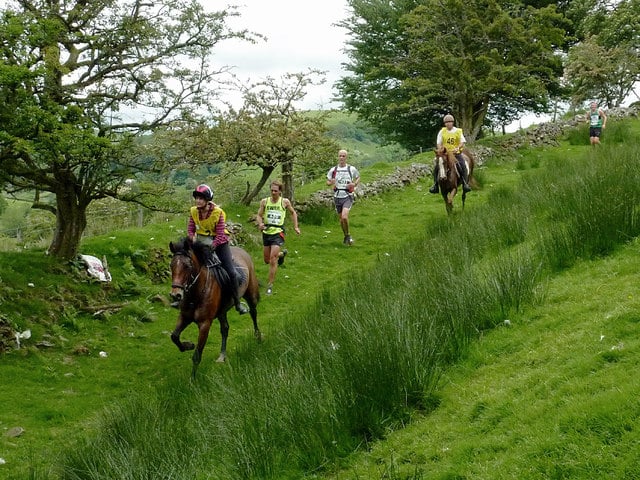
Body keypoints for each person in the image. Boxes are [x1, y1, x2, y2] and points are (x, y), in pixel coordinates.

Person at [187, 184, 248, 314]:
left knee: (231, 273)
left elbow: (220, 234)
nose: (198, 201)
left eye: (201, 198)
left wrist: (212, 247)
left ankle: (237, 302)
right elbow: (191, 228)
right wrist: (191, 237)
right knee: (187, 266)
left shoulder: (218, 213)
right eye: (197, 198)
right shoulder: (193, 211)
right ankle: (182, 298)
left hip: (219, 243)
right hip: (201, 242)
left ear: (207, 200)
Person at [256, 180, 301, 295]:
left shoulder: (284, 202)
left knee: (272, 260)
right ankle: (281, 255)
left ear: (280, 191)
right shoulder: (264, 202)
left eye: (276, 191)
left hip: (278, 232)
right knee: (267, 260)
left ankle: (270, 285)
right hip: (267, 232)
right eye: (272, 190)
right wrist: (260, 224)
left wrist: (296, 227)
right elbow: (259, 215)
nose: (273, 193)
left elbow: (293, 213)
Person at [429, 114, 471, 194]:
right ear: (445, 124)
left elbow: (462, 142)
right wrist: (440, 149)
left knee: (463, 165)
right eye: (446, 122)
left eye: (450, 122)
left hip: (456, 153)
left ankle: (465, 184)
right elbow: (439, 143)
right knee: (437, 167)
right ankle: (435, 185)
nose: (448, 124)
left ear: (453, 123)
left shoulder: (458, 131)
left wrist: (457, 148)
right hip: (445, 154)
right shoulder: (442, 132)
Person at [326, 149, 360, 246]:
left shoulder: (351, 169)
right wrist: (331, 182)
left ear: (346, 157)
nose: (341, 158)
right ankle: (346, 235)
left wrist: (354, 184)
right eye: (340, 156)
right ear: (338, 157)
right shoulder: (333, 170)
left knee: (345, 217)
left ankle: (348, 235)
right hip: (337, 196)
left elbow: (358, 177)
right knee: (341, 219)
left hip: (347, 196)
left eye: (343, 156)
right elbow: (328, 181)